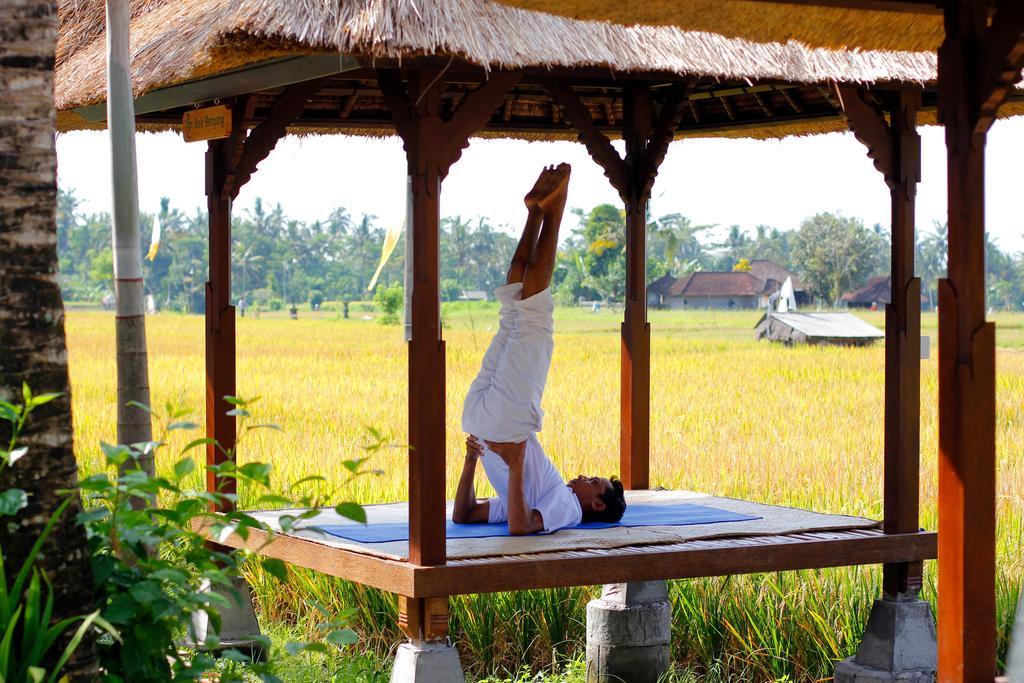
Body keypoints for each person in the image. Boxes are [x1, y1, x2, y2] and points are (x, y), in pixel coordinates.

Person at [453, 164, 626, 535]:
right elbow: (464, 515)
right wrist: (471, 460)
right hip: (480, 421)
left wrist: (515, 465)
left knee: (532, 316)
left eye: (593, 482)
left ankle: (555, 208)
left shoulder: (568, 508)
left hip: (506, 424)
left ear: (595, 503)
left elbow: (521, 528)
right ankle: (534, 213)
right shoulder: (548, 491)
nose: (583, 475)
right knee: (514, 309)